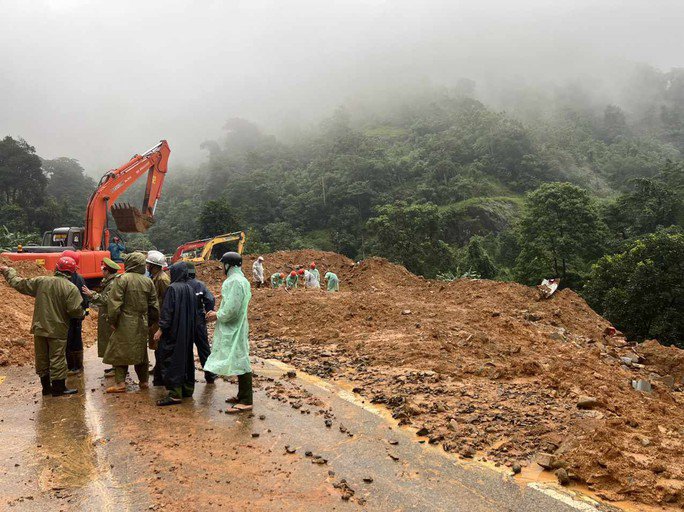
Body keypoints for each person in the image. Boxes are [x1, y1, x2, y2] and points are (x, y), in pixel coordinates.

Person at [0, 257, 84, 396]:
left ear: (57, 269)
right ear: (71, 272)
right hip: (57, 329)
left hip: (39, 327)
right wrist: (81, 313)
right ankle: (58, 388)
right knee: (57, 357)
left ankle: (46, 388)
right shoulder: (71, 288)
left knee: (42, 357)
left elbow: (19, 284)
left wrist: (8, 271)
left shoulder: (41, 281)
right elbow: (75, 311)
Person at [204, 251, 253, 413]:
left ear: (228, 265)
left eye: (222, 265)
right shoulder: (242, 280)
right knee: (239, 356)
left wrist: (216, 315)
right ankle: (242, 395)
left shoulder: (234, 282)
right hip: (238, 325)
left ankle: (246, 400)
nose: (221, 268)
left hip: (234, 326)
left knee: (241, 358)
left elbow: (232, 309)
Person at [104, 252, 159, 393]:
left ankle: (120, 383)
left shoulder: (122, 280)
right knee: (141, 352)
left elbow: (114, 304)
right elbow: (154, 306)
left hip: (124, 321)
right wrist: (150, 322)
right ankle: (144, 381)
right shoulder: (148, 282)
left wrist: (113, 321)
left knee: (120, 351)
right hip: (142, 321)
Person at [154, 262, 197, 406]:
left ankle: (174, 394)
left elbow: (167, 312)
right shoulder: (190, 289)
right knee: (185, 359)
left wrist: (160, 329)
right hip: (187, 332)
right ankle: (187, 389)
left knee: (170, 359)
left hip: (173, 332)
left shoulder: (172, 289)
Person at [81, 258, 120, 376]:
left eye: (103, 269)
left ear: (107, 271)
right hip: (107, 315)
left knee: (113, 341)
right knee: (109, 340)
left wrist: (91, 294)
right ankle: (114, 366)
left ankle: (118, 368)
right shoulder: (108, 282)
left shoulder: (113, 284)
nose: (102, 271)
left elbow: (106, 299)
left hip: (110, 316)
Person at [186, 262, 217, 384]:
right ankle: (210, 375)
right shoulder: (200, 285)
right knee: (204, 348)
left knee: (185, 349)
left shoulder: (178, 285)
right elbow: (210, 299)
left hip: (184, 321)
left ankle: (188, 377)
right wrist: (208, 312)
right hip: (199, 320)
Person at [61, 250, 88, 375]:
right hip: (76, 315)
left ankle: (72, 366)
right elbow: (85, 297)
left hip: (67, 315)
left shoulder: (62, 279)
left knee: (69, 340)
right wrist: (84, 312)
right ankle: (76, 365)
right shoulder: (80, 278)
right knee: (75, 340)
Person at [146, 250, 170, 386]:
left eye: (149, 264)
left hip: (160, 316)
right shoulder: (156, 277)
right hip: (156, 316)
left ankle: (161, 372)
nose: (147, 267)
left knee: (160, 345)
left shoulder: (162, 279)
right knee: (156, 345)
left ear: (154, 266)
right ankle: (158, 368)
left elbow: (166, 300)